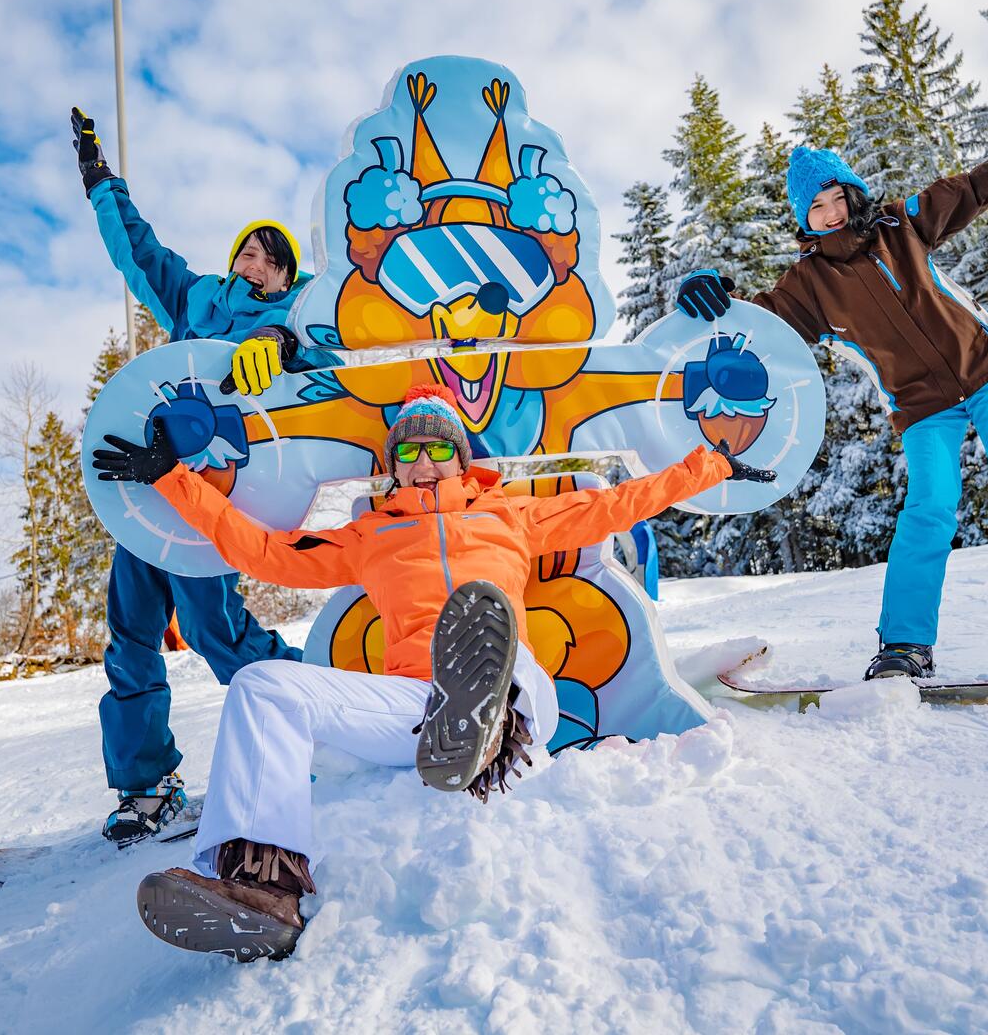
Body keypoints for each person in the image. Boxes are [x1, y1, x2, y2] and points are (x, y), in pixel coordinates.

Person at [92, 385, 774, 959]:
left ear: (460, 456)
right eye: (409, 451)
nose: (423, 462)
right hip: (413, 708)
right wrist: (171, 479)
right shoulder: (369, 535)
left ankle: (486, 719)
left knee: (484, 632)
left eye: (438, 447)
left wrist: (711, 466)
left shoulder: (514, 513)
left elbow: (622, 502)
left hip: (517, 690)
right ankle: (263, 890)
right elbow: (266, 551)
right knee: (261, 686)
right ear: (393, 467)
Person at [676, 116, 988, 680]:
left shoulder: (902, 224)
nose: (830, 212)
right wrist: (716, 300)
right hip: (921, 406)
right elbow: (758, 328)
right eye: (814, 207)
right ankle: (905, 645)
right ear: (803, 218)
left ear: (852, 193)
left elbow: (979, 183)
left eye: (835, 196)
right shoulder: (808, 286)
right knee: (928, 512)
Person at [73, 107, 331, 844]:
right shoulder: (198, 301)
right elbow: (141, 254)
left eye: (269, 258)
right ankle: (144, 786)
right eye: (246, 253)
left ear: (285, 275)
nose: (254, 263)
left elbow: (336, 360)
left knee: (217, 635)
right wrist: (101, 184)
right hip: (150, 493)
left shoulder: (299, 319)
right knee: (129, 636)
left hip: (216, 504)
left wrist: (286, 342)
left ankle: (324, 712)